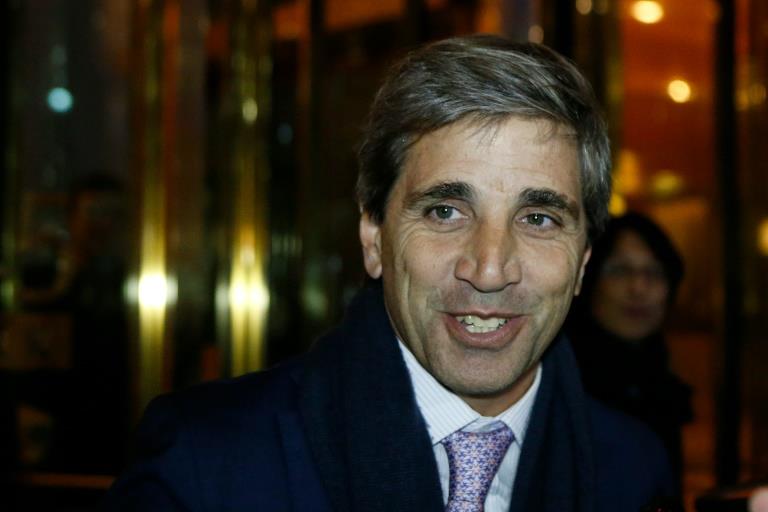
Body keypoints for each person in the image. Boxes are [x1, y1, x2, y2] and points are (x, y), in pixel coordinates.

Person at [105, 35, 675, 511]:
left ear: (582, 262)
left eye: (538, 218)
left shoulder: (634, 473)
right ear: (373, 238)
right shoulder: (205, 463)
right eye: (445, 212)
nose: (489, 269)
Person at [565, 212, 693, 492]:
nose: (638, 288)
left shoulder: (661, 387)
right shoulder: (564, 384)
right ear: (587, 279)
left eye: (654, 273)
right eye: (620, 271)